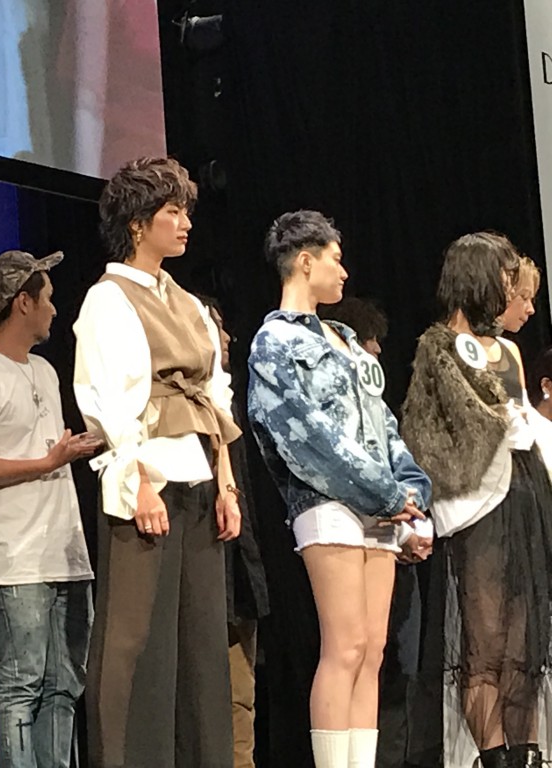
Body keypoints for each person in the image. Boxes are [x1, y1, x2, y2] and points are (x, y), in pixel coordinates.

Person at [247, 210, 431, 768]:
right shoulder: (274, 341)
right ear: (305, 262)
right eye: (335, 258)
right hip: (327, 503)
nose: (344, 271)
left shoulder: (347, 339)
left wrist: (411, 492)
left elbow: (382, 423)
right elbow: (306, 437)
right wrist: (385, 494)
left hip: (380, 504)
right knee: (345, 645)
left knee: (372, 650)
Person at [74, 156, 242, 768]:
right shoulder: (108, 299)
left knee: (200, 646)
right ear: (138, 223)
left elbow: (215, 399)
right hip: (148, 483)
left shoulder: (188, 303)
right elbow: (108, 402)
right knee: (135, 641)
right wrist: (137, 483)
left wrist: (227, 486)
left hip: (198, 481)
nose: (185, 222)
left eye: (186, 211)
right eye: (173, 211)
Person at [403, 233, 552, 768]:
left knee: (524, 641)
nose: (512, 289)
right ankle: (492, 756)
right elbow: (428, 437)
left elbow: (524, 419)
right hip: (476, 508)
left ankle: (526, 752)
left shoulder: (508, 350)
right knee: (485, 642)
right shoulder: (438, 349)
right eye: (506, 277)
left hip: (523, 496)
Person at [0, 249, 100, 768]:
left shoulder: (44, 371)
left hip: (65, 553)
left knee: (65, 685)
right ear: (23, 302)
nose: (54, 309)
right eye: (48, 298)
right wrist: (45, 463)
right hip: (16, 560)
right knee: (23, 684)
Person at [320, 295, 435, 768]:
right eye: (369, 341)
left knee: (380, 653)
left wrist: (414, 512)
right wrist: (391, 505)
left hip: (389, 535)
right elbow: (340, 467)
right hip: (343, 530)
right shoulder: (331, 408)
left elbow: (399, 458)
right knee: (347, 651)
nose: (377, 351)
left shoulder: (376, 406)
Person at [200, 296, 271, 768]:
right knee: (206, 694)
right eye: (217, 327)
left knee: (241, 696)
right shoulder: (187, 407)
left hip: (239, 571)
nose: (227, 338)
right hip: (205, 568)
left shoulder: (233, 406)